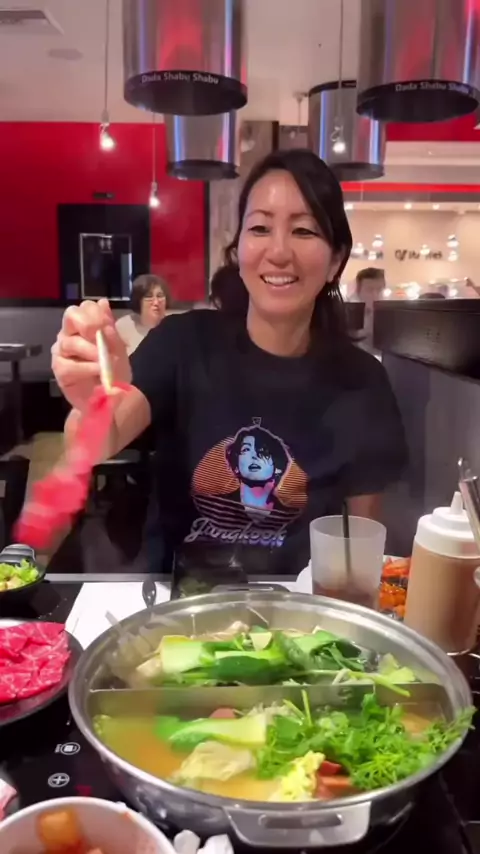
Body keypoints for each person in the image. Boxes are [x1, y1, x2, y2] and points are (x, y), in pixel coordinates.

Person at [52, 149, 406, 577]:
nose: (279, 251)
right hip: (179, 597)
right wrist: (91, 400)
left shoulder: (363, 383)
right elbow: (91, 444)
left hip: (298, 606)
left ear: (335, 260)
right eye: (260, 227)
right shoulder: (184, 342)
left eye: (303, 230)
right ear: (239, 252)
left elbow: (362, 547)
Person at [115, 274, 169, 355]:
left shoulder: (174, 328)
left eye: (160, 296)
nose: (156, 302)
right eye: (149, 296)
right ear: (138, 300)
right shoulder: (123, 327)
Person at [352, 267, 386, 352]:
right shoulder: (348, 319)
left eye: (379, 290)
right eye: (369, 290)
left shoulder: (392, 319)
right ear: (358, 292)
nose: (375, 295)